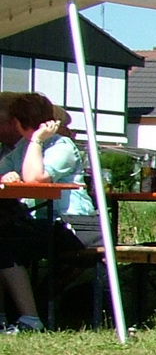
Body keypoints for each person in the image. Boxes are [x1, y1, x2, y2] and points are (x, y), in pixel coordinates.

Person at [0, 92, 90, 331]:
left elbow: (35, 179)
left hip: (74, 226)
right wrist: (6, 176)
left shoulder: (62, 146)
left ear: (17, 123)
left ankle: (30, 320)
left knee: (5, 245)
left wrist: (37, 141)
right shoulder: (22, 147)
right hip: (43, 223)